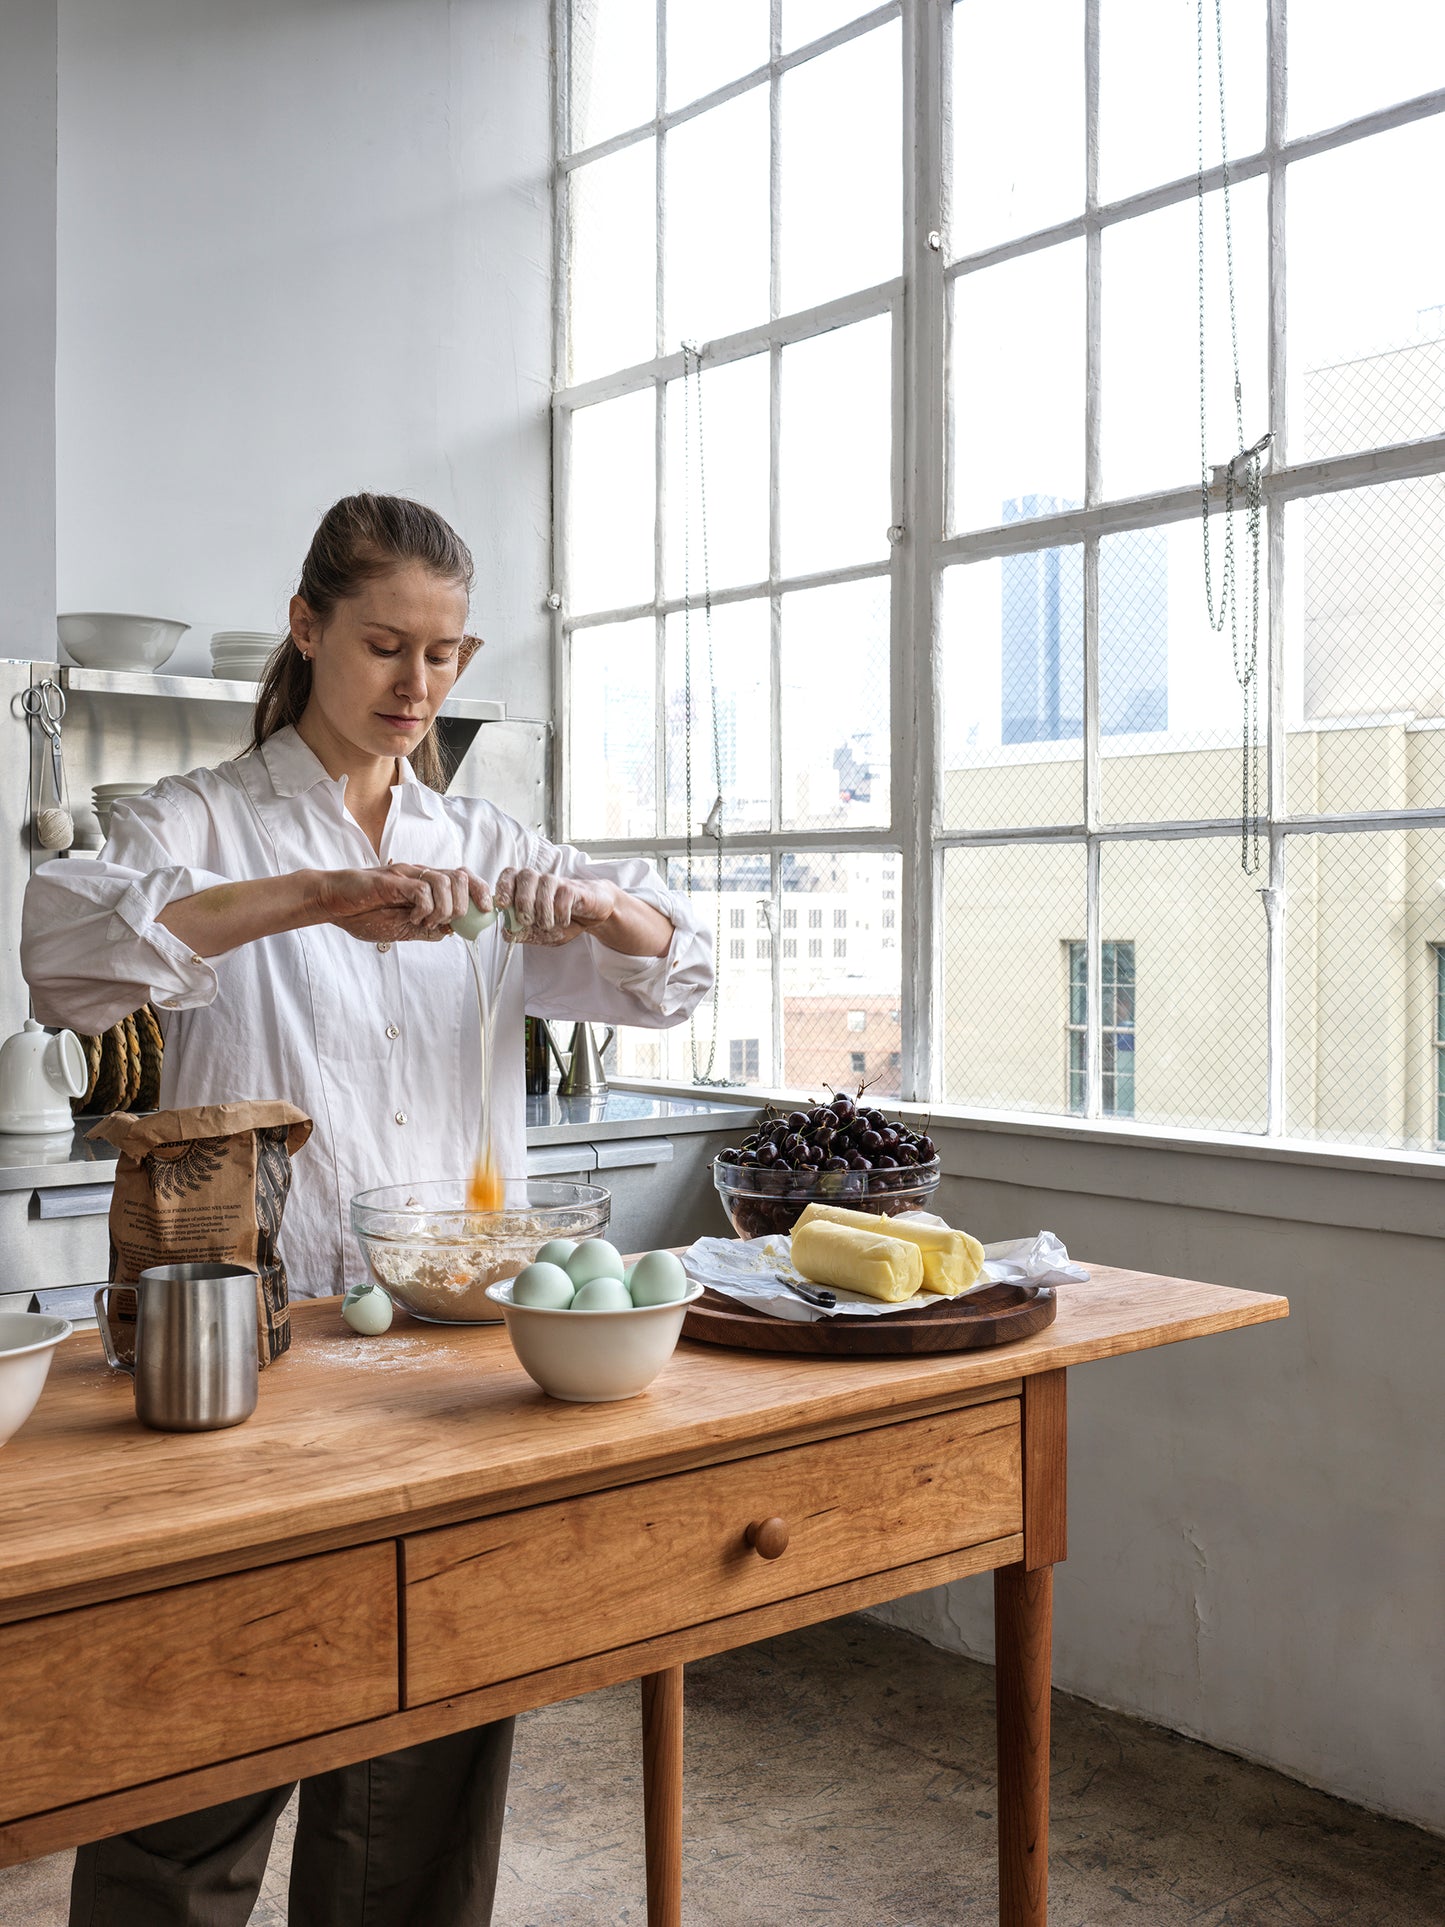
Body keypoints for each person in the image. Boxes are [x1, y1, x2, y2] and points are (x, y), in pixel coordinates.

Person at [22, 492, 713, 1927]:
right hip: (255, 1348)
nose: (417, 686)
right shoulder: (200, 816)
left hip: (457, 1341)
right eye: (387, 644)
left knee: (431, 1757)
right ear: (308, 627)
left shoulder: (482, 839)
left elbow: (673, 967)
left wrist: (589, 909)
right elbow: (66, 955)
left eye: (447, 655)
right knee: (197, 1756)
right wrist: (314, 897)